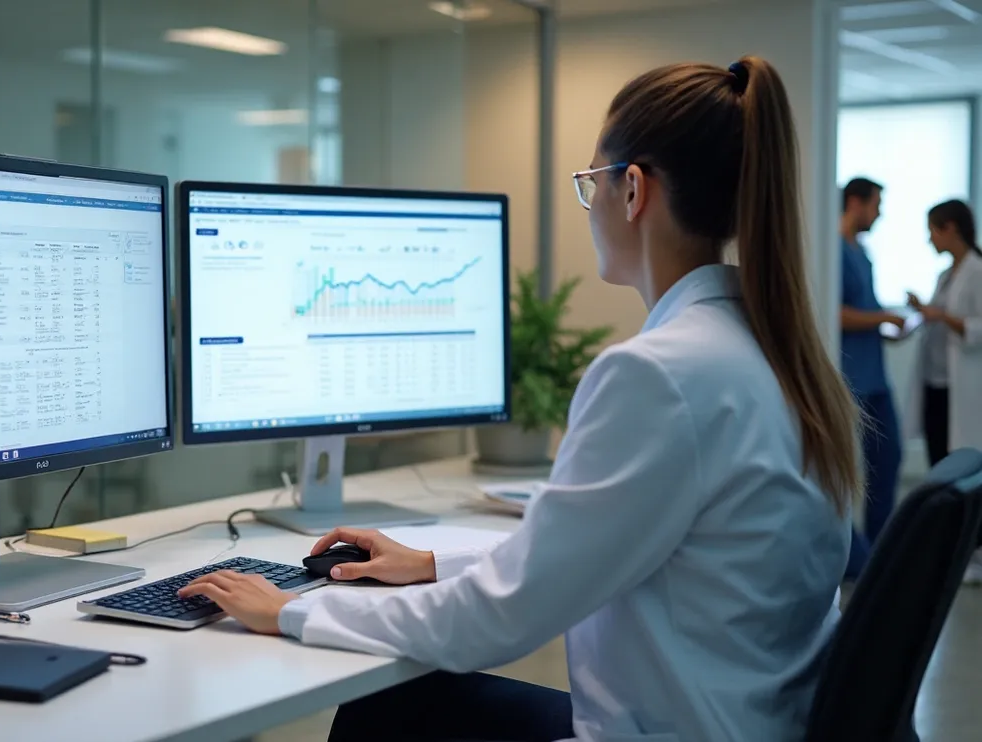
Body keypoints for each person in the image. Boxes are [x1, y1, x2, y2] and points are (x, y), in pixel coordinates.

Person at [181, 56, 865, 742]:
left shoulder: (658, 375)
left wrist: (288, 611)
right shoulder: (772, 352)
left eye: (589, 181)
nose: (589, 201)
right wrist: (431, 564)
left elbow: (495, 622)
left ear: (632, 190)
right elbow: (597, 557)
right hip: (746, 723)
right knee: (402, 706)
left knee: (389, 711)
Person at [906, 199, 982, 585]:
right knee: (941, 465)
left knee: (964, 466)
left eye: (933, 229)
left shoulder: (977, 271)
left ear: (951, 228)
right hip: (937, 384)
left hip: (963, 387)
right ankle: (951, 545)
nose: (929, 238)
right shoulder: (946, 274)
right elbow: (937, 316)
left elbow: (978, 327)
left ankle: (974, 552)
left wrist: (941, 316)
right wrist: (924, 309)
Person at [838, 177, 905, 579]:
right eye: (875, 205)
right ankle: (857, 559)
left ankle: (879, 555)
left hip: (874, 376)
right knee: (842, 474)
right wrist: (883, 318)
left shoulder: (861, 253)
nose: (878, 214)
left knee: (888, 459)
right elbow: (835, 312)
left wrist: (888, 327)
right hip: (849, 379)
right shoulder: (834, 251)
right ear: (855, 203)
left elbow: (865, 310)